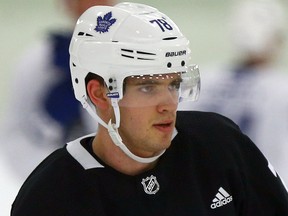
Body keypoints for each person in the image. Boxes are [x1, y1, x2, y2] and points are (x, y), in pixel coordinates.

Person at [11, 2, 288, 215]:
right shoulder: (49, 197)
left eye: (174, 84)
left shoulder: (221, 146)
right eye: (147, 87)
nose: (169, 103)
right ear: (99, 94)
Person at [0, 0, 116, 180]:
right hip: (57, 186)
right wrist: (56, 176)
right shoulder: (40, 61)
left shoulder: (144, 56)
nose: (91, 5)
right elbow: (16, 134)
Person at [179, 0, 288, 184]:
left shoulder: (201, 78)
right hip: (263, 191)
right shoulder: (281, 88)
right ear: (276, 39)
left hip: (204, 187)